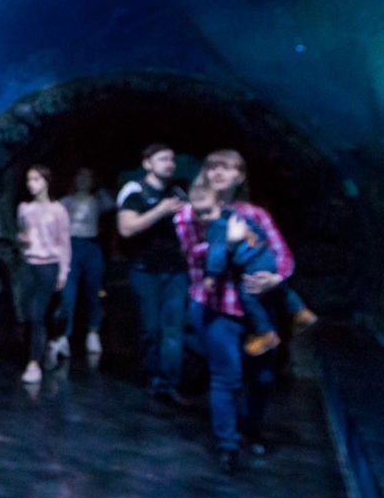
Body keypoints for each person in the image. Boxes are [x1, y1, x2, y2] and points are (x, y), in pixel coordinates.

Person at [173, 149, 295, 474]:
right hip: (217, 307)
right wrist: (227, 242)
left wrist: (276, 277)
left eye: (227, 168)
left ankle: (252, 429)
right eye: (212, 166)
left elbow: (282, 253)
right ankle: (227, 444)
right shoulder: (191, 212)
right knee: (226, 376)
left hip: (259, 308)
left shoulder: (255, 214)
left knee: (263, 377)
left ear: (240, 176)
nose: (218, 172)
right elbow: (193, 254)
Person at [188, 182, 310, 357]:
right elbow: (259, 231)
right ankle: (301, 312)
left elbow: (217, 253)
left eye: (208, 211)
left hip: (252, 263)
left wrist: (211, 275)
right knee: (278, 286)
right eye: (199, 213)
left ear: (219, 204)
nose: (205, 217)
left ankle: (265, 333)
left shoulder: (215, 228)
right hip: (265, 256)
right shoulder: (236, 215)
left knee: (248, 295)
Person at [117, 143, 189, 402]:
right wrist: (160, 211)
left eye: (171, 159)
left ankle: (168, 383)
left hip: (176, 270)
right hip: (145, 269)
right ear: (147, 163)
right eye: (162, 159)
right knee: (151, 328)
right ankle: (152, 375)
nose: (169, 164)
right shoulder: (136, 192)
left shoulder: (178, 192)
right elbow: (126, 228)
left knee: (173, 329)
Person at [16, 165, 70, 385]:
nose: (31, 184)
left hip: (49, 265)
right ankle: (46, 346)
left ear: (46, 181)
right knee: (28, 313)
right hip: (29, 265)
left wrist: (63, 271)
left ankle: (33, 364)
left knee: (38, 314)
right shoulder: (24, 208)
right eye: (29, 180)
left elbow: (64, 243)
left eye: (36, 179)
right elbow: (22, 234)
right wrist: (22, 240)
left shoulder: (58, 210)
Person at [55, 167, 115, 357]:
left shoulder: (98, 200)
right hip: (71, 246)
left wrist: (100, 186)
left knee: (94, 290)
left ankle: (93, 331)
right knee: (68, 293)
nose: (83, 179)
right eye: (80, 176)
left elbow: (111, 204)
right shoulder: (66, 201)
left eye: (87, 176)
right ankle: (64, 335)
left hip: (91, 246)